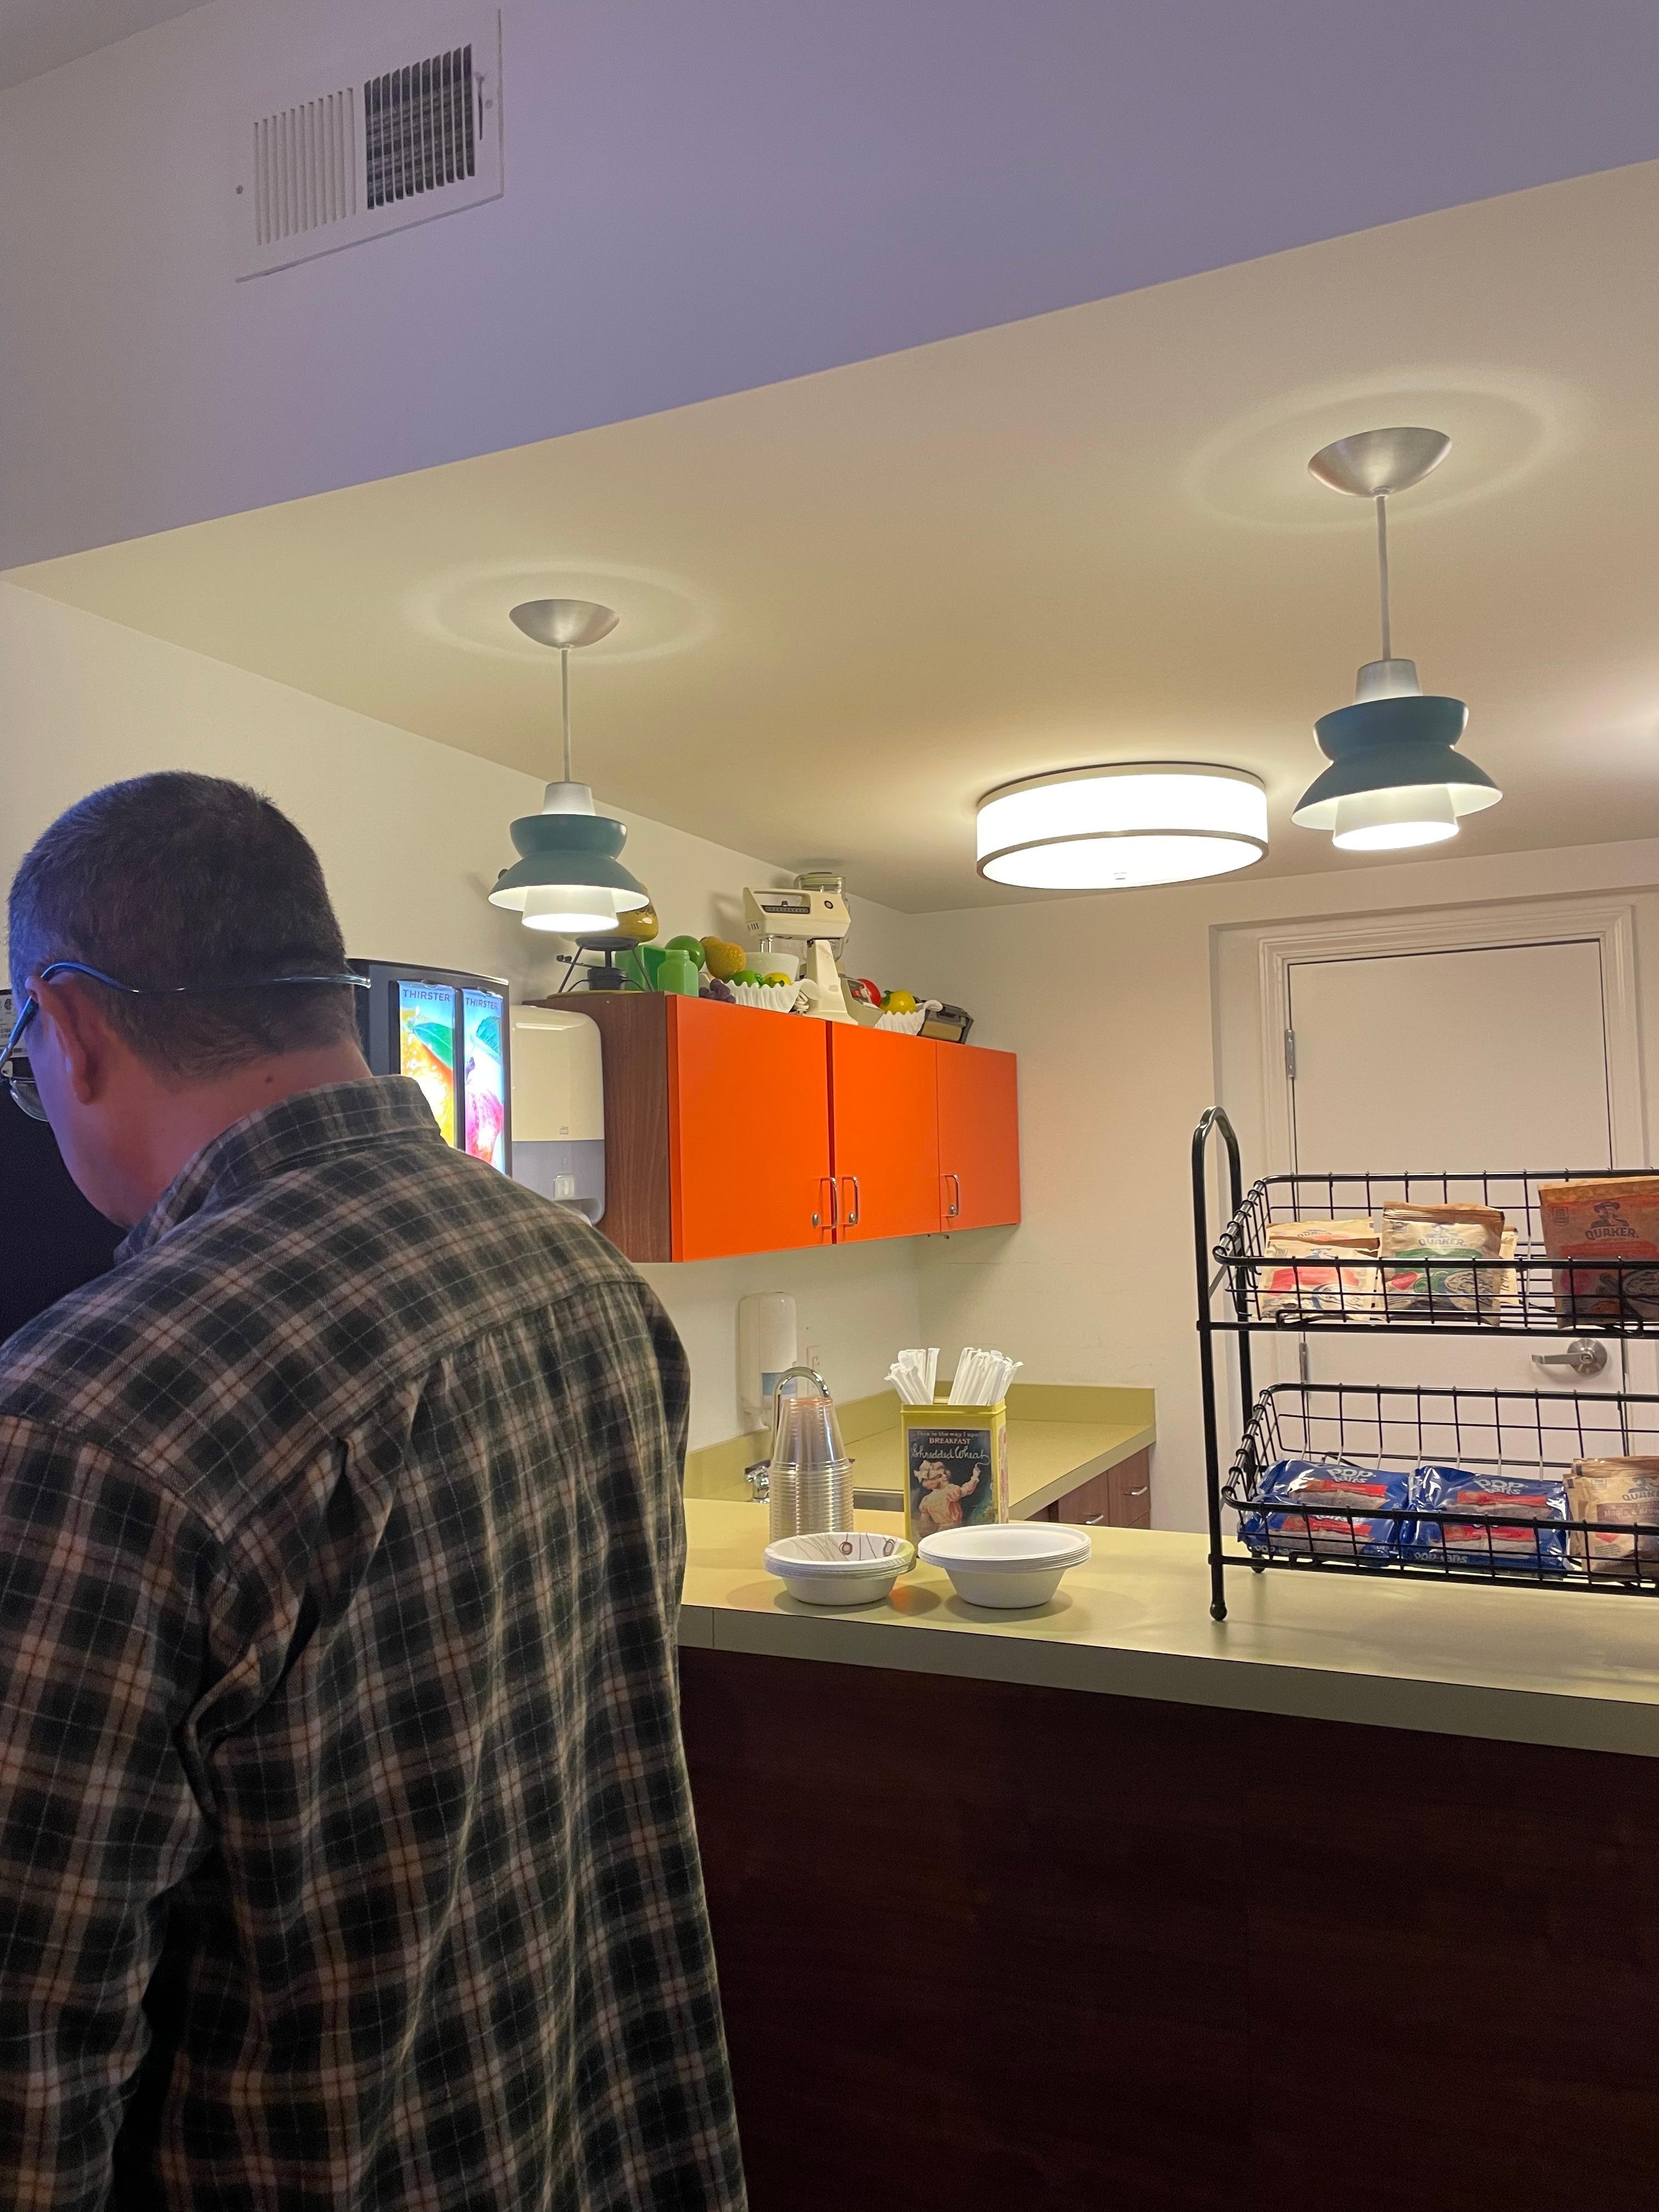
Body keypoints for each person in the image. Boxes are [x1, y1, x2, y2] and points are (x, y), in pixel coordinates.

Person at [0, 773, 746, 2211]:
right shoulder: (586, 1280)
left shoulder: (86, 1422)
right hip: (585, 2144)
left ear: (72, 1024)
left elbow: (27, 2060)